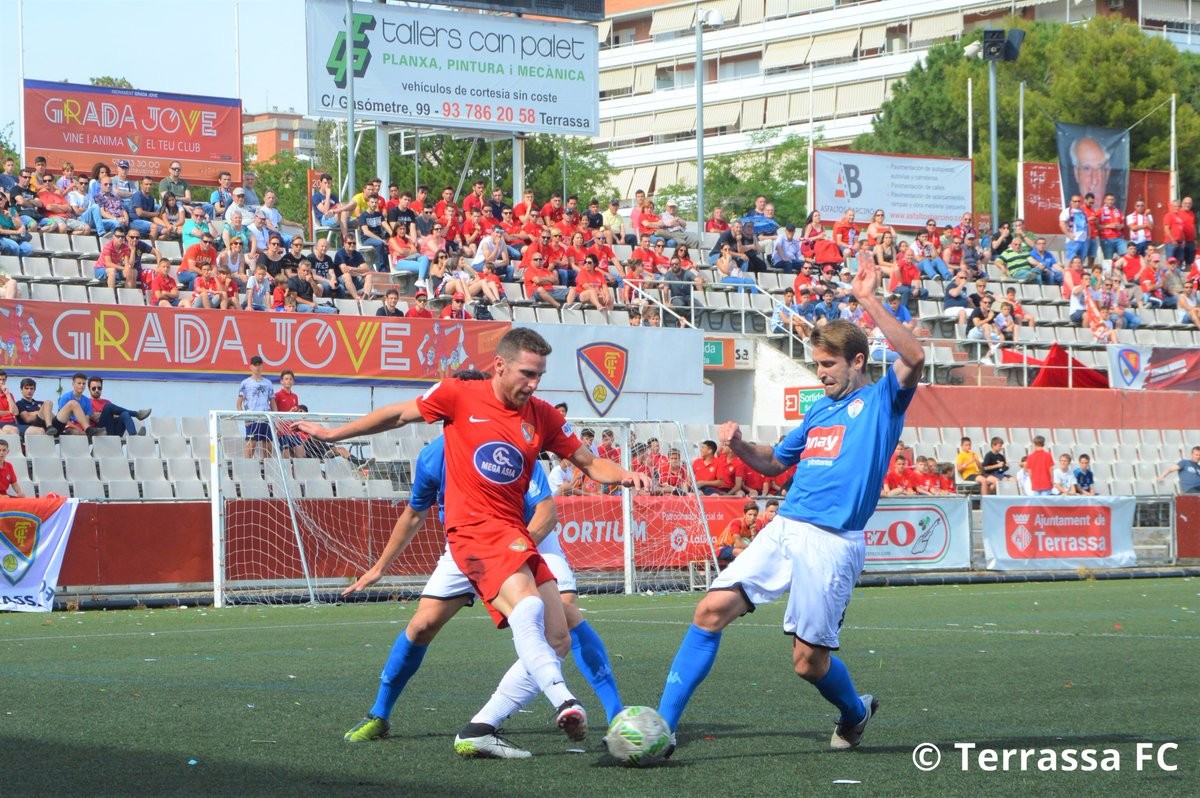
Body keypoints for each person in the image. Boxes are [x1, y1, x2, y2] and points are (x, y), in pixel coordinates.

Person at [297, 328, 653, 751]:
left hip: (517, 537)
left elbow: (586, 467)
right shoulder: (450, 417)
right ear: (498, 366)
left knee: (560, 631)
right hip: (471, 539)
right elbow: (401, 442)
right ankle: (382, 713)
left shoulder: (541, 418)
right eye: (527, 373)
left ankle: (484, 728)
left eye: (540, 375)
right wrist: (335, 436)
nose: (534, 383)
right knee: (429, 624)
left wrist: (625, 475)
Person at [656, 260, 922, 757]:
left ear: (858, 361)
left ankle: (854, 712)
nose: (820, 373)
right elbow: (776, 463)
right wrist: (738, 446)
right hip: (786, 526)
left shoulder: (885, 401)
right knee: (710, 610)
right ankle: (662, 729)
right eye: (817, 364)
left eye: (828, 365)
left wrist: (867, 300)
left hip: (833, 542)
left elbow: (914, 354)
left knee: (808, 663)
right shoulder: (819, 409)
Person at [237, 355, 277, 459]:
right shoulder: (245, 383)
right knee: (251, 446)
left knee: (268, 446)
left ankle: (267, 471)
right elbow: (239, 403)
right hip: (252, 418)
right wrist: (245, 418)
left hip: (266, 417)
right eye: (255, 365)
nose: (258, 367)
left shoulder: (268, 383)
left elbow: (272, 401)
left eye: (260, 364)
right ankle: (247, 469)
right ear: (251, 367)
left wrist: (275, 417)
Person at [86, 377, 152, 437]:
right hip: (101, 432)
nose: (97, 390)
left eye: (99, 388)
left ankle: (134, 437)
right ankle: (136, 414)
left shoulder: (106, 401)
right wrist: (109, 413)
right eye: (94, 388)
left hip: (114, 431)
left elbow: (116, 415)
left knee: (125, 414)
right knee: (108, 407)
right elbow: (95, 418)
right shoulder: (87, 402)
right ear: (89, 389)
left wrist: (108, 414)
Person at [715, 500, 759, 569]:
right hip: (722, 548)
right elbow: (738, 544)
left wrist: (753, 533)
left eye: (755, 515)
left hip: (736, 549)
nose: (752, 517)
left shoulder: (754, 527)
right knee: (741, 552)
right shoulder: (737, 523)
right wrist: (752, 548)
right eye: (750, 514)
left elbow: (755, 544)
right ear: (744, 515)